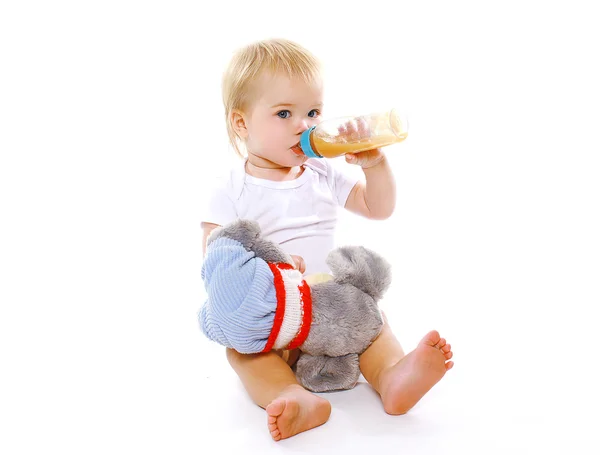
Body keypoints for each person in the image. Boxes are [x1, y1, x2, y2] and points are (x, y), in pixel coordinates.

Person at [201, 38, 454, 442]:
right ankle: (290, 394)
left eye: (312, 112)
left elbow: (378, 207)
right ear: (242, 123)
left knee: (373, 325)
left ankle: (392, 377)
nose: (304, 125)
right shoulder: (230, 191)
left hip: (333, 309)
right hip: (276, 316)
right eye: (284, 113)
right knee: (245, 352)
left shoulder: (320, 172)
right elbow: (217, 263)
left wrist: (375, 164)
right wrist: (274, 270)